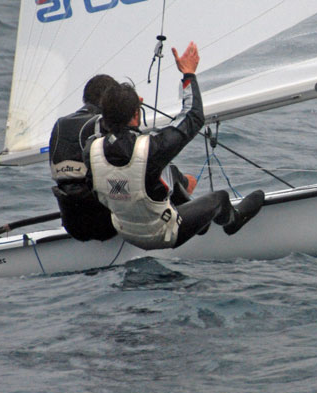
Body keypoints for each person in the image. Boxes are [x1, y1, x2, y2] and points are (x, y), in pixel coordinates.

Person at [86, 42, 264, 250]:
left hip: (124, 231)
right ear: (136, 114)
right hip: (163, 234)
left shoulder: (91, 149)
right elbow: (193, 117)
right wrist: (189, 74)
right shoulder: (151, 149)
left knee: (164, 175)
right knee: (220, 198)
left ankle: (197, 219)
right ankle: (233, 222)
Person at [49, 73, 119, 241]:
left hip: (71, 223)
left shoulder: (59, 124)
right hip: (106, 225)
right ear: (108, 100)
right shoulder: (103, 124)